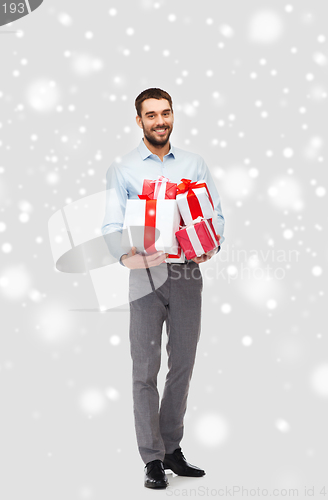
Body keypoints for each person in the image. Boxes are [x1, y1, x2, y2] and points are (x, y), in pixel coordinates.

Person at [101, 88, 225, 489]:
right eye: (151, 115)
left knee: (183, 365)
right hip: (144, 276)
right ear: (138, 121)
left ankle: (171, 447)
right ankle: (151, 458)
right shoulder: (122, 169)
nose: (160, 121)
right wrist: (125, 258)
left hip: (188, 271)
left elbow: (215, 214)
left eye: (166, 113)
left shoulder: (194, 163)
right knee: (145, 369)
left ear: (174, 116)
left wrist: (211, 244)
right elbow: (110, 225)